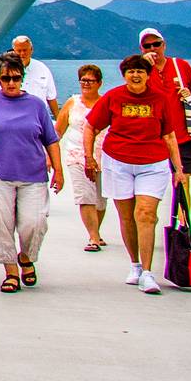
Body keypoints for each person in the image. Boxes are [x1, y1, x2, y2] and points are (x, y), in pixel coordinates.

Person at [0, 53, 63, 292]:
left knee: (35, 222)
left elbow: (51, 139)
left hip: (33, 173)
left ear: (22, 78)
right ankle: (10, 271)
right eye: (5, 78)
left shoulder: (36, 104)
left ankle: (26, 257)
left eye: (16, 78)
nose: (11, 83)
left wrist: (58, 169)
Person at [85, 54, 186, 294]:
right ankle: (135, 265)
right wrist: (89, 157)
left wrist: (179, 169)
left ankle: (149, 274)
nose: (136, 75)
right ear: (124, 75)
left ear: (148, 75)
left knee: (146, 214)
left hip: (153, 163)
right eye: (131, 71)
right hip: (117, 162)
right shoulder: (113, 97)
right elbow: (92, 126)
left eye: (141, 71)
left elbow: (169, 135)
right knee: (127, 216)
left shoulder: (160, 99)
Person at [140, 27, 191, 195]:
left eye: (156, 44)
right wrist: (143, 65)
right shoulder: (140, 69)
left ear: (164, 45)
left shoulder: (180, 65)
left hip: (181, 136)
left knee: (182, 181)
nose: (153, 49)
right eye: (147, 46)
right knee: (149, 185)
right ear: (142, 49)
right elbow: (132, 91)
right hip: (153, 138)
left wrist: (190, 95)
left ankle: (183, 220)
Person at [55, 63, 108, 251]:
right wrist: (50, 156)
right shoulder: (73, 102)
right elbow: (58, 130)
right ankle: (93, 237)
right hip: (76, 155)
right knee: (85, 197)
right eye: (83, 80)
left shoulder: (106, 103)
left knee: (101, 200)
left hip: (103, 156)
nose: (86, 84)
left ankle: (97, 231)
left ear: (99, 83)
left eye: (91, 81)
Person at [11, 35, 59, 116]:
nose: (22, 53)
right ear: (14, 51)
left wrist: (58, 120)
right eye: (19, 51)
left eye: (25, 50)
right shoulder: (6, 70)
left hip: (39, 117)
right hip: (14, 116)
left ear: (31, 50)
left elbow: (51, 98)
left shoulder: (43, 69)